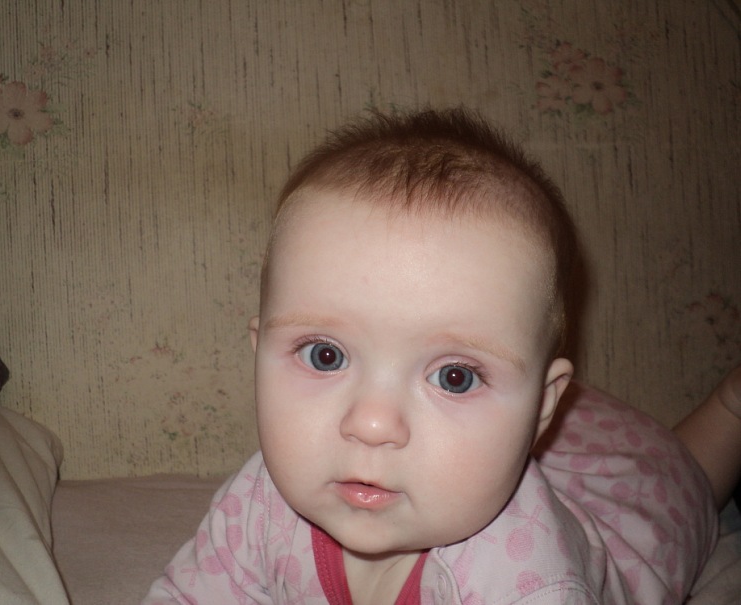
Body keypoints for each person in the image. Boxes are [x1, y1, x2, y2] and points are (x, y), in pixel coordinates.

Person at [143, 107, 741, 604]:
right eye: (325, 356)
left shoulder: (529, 586)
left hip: (631, 485)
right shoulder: (260, 503)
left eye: (454, 376)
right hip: (542, 445)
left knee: (686, 484)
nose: (371, 424)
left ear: (542, 406)